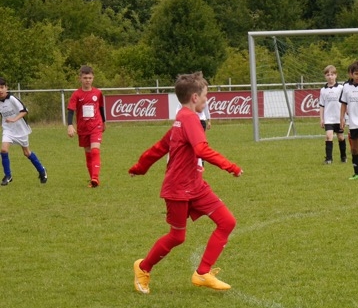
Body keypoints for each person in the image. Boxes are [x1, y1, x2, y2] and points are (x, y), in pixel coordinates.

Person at [129, 72, 243, 294]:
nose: (207, 99)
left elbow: (160, 147)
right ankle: (142, 268)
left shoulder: (182, 118)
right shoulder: (188, 119)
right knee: (177, 236)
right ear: (194, 97)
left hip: (196, 186)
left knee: (227, 222)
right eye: (205, 95)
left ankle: (202, 273)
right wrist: (231, 166)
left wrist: (140, 167)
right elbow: (201, 149)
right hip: (178, 189)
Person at [0, 77, 47, 186]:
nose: (0, 90)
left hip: (20, 129)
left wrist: (14, 119)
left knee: (26, 153)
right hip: (8, 129)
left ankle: (42, 170)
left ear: (6, 88)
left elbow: (24, 111)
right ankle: (8, 175)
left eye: (2, 87)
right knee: (3, 150)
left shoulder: (12, 99)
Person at [66, 65, 105, 187]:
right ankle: (92, 180)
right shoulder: (76, 94)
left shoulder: (98, 93)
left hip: (96, 125)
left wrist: (104, 122)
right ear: (80, 79)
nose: (87, 80)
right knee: (88, 153)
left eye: (90, 78)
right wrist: (70, 125)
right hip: (83, 128)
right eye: (85, 78)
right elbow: (71, 111)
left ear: (93, 78)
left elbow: (101, 108)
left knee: (95, 150)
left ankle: (95, 178)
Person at [319, 64, 347, 164]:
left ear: (336, 75)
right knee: (328, 136)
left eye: (332, 74)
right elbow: (322, 105)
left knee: (340, 137)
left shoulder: (341, 88)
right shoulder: (323, 90)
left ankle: (343, 156)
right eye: (328, 75)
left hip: (339, 118)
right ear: (325, 76)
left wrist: (344, 117)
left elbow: (345, 103)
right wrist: (321, 119)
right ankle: (329, 159)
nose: (330, 77)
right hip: (328, 118)